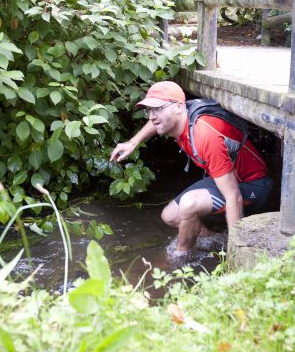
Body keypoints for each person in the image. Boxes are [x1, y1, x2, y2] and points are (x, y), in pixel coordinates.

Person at [110, 81, 272, 254]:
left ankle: (181, 256)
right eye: (149, 110)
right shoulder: (180, 117)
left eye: (158, 108)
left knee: (188, 204)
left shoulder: (205, 135)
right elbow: (157, 121)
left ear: (179, 107)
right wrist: (132, 143)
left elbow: (234, 196)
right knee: (170, 216)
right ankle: (214, 241)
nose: (152, 116)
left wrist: (237, 252)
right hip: (224, 177)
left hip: (254, 185)